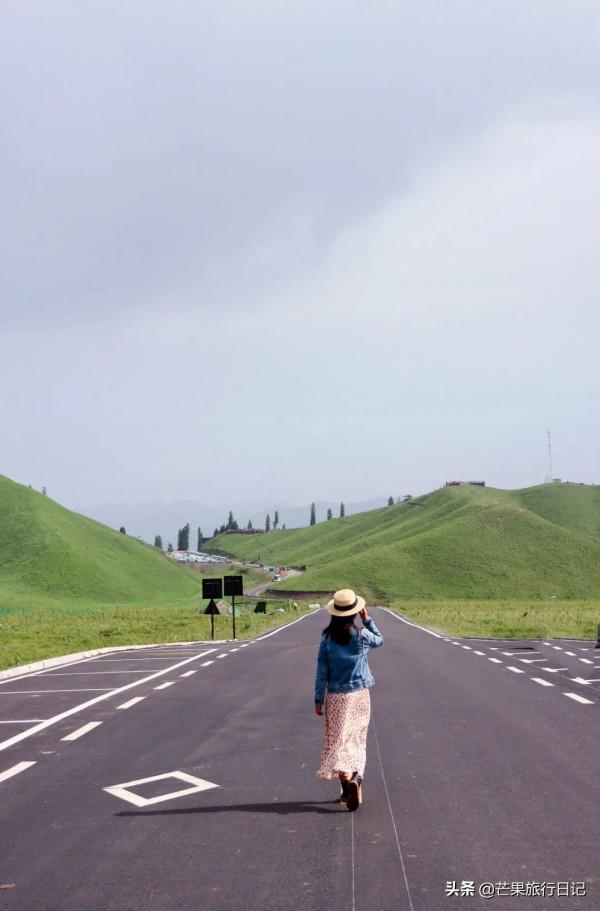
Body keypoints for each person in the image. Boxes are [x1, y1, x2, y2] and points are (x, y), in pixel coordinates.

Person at [314, 588, 383, 811]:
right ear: (354, 613)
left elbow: (321, 670)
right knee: (357, 739)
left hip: (335, 696)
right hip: (359, 695)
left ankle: (345, 787)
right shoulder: (362, 636)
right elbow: (380, 640)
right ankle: (357, 779)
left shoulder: (326, 639)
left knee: (338, 742)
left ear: (334, 613)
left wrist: (318, 699)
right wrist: (368, 620)